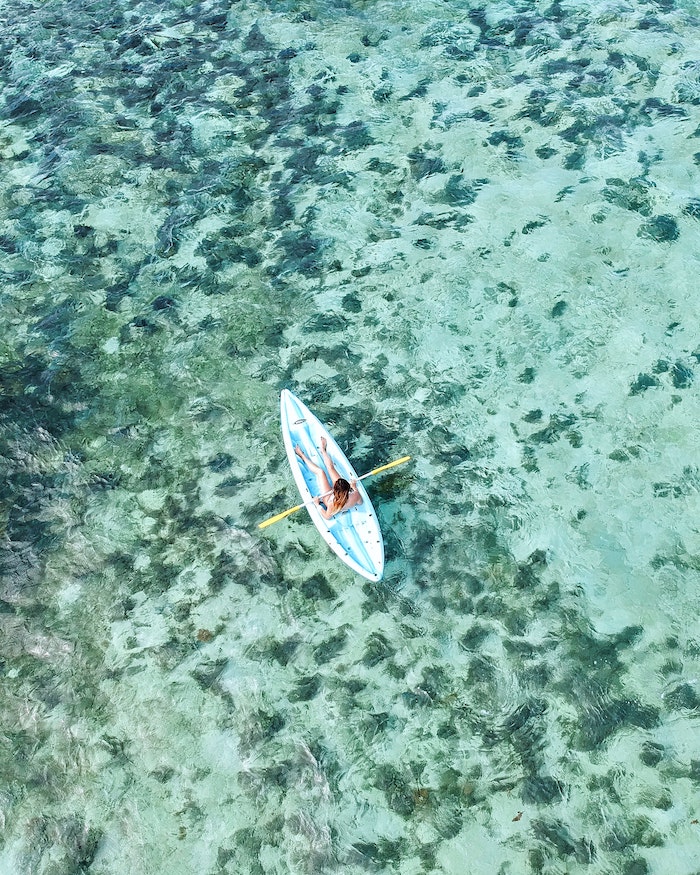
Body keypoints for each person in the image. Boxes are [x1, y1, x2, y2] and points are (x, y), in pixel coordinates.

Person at [295, 437, 363, 519]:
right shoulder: (355, 495)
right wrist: (354, 487)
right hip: (340, 496)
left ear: (335, 488)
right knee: (331, 468)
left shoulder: (332, 504)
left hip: (329, 499)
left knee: (320, 472)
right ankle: (322, 450)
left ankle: (302, 455)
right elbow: (360, 502)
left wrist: (317, 504)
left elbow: (327, 517)